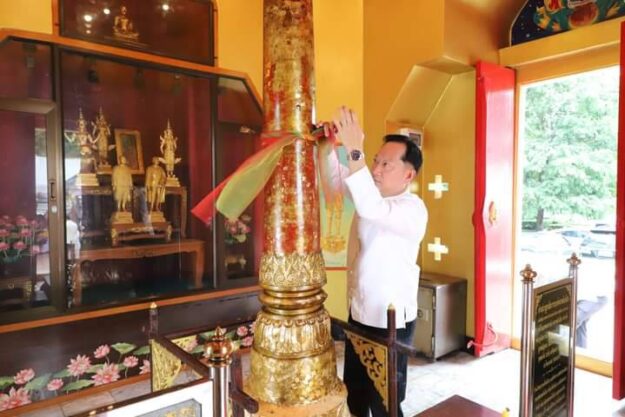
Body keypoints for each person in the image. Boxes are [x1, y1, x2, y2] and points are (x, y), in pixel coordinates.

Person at [330, 106, 428, 417]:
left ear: (408, 174)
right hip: (360, 313)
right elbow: (336, 179)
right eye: (375, 160)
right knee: (355, 397)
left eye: (386, 164)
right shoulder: (369, 195)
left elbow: (372, 209)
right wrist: (328, 144)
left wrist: (354, 149)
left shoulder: (412, 209)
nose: (376, 169)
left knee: (385, 403)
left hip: (390, 324)